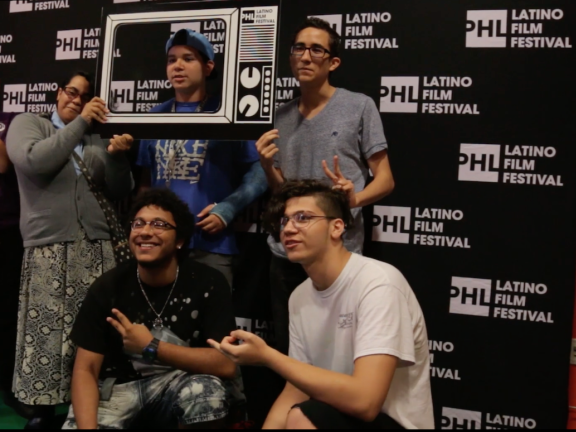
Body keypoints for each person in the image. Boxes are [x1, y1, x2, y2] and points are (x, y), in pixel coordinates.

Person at [209, 180, 433, 429]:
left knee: (303, 416)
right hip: (336, 416)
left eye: (303, 218)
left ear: (336, 227)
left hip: (393, 423)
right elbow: (296, 391)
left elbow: (365, 402)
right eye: (285, 221)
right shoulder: (300, 296)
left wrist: (268, 357)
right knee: (298, 412)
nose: (289, 229)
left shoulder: (378, 283)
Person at [256, 18, 395, 354]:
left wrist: (354, 198)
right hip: (286, 254)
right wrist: (265, 165)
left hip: (338, 255)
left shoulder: (358, 106)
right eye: (299, 48)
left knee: (340, 355)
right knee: (293, 355)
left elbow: (387, 180)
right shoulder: (279, 115)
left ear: (333, 62)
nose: (305, 56)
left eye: (316, 49)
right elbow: (281, 192)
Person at [6, 71, 134, 426]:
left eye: (85, 96)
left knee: (93, 334)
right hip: (49, 249)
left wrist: (119, 157)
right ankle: (44, 412)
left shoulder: (95, 137)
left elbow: (120, 190)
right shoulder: (28, 123)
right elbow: (35, 160)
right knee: (46, 336)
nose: (76, 100)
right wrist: (80, 123)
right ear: (58, 93)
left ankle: (89, 412)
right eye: (71, 93)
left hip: (97, 249)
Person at [63, 189, 245, 429]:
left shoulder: (208, 283)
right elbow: (86, 369)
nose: (145, 232)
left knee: (206, 391)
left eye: (159, 224)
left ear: (179, 239)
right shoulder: (108, 287)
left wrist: (151, 347)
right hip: (118, 390)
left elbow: (226, 364)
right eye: (138, 224)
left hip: (180, 382)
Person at [137, 28, 268, 288]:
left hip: (210, 243)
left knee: (212, 327)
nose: (178, 66)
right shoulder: (154, 116)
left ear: (208, 67)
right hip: (160, 243)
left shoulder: (228, 114)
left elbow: (261, 170)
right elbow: (145, 180)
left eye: (188, 58)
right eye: (172, 60)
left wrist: (228, 208)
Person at [0, 112, 35, 419]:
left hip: (7, 230)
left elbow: (1, 164)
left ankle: (10, 386)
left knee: (9, 312)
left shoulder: (10, 120)